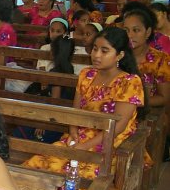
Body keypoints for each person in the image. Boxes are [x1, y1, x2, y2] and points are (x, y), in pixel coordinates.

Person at [23, 27, 149, 179]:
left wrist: (86, 146)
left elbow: (118, 126)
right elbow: (77, 111)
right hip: (83, 134)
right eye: (95, 49)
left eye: (104, 51)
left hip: (112, 141)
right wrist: (74, 130)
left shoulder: (129, 82)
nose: (96, 55)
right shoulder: (87, 74)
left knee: (81, 174)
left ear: (119, 55)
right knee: (43, 163)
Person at [123, 8, 169, 108]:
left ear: (147, 32)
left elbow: (164, 98)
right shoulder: (118, 55)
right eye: (126, 30)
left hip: (150, 116)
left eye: (136, 30)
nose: (130, 35)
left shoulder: (160, 59)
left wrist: (131, 103)